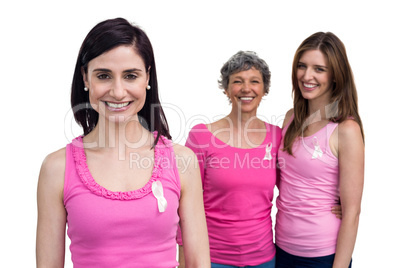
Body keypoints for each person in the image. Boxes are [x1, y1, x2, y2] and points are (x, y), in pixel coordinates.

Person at [36, 18, 210, 268]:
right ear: (85, 78)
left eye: (130, 76)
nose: (118, 92)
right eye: (104, 75)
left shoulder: (182, 161)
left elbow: (197, 264)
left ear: (147, 78)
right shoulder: (56, 169)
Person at [178, 51, 280, 267]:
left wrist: (335, 201)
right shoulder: (201, 137)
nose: (246, 88)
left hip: (264, 259)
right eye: (237, 81)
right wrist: (184, 259)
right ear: (226, 88)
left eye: (254, 81)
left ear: (264, 89)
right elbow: (184, 203)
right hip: (212, 259)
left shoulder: (277, 137)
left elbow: (298, 183)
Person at [275, 32, 364, 268]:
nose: (307, 75)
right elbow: (283, 178)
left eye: (319, 69)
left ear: (336, 75)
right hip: (280, 248)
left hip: (322, 256)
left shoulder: (346, 129)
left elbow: (352, 212)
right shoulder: (290, 118)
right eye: (302, 66)